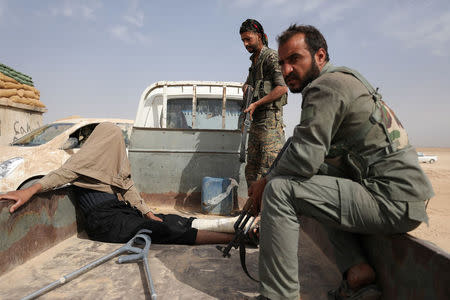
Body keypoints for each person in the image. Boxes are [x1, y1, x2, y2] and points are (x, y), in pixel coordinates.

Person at [248, 25, 434, 300]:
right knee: (316, 181)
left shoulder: (325, 87)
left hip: (392, 199)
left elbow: (303, 159)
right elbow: (311, 153)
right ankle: (358, 272)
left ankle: (278, 295)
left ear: (320, 56)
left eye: (295, 59)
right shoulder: (344, 79)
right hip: (402, 196)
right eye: (283, 62)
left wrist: (266, 181)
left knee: (280, 191)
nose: (286, 70)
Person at [0, 122, 240, 245]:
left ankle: (238, 228)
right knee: (165, 230)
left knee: (167, 219)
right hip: (103, 222)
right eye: (114, 140)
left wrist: (147, 212)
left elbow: (128, 188)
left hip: (118, 211)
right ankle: (233, 239)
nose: (117, 146)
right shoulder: (81, 163)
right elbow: (57, 176)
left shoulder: (113, 163)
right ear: (104, 141)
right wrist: (28, 191)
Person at [239, 19, 288, 188]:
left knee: (267, 169)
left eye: (248, 39)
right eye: (243, 41)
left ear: (259, 36)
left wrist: (256, 103)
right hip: (256, 122)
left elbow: (282, 88)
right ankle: (254, 209)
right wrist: (245, 87)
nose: (245, 44)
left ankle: (266, 212)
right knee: (251, 169)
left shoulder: (271, 57)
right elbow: (247, 84)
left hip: (270, 124)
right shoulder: (254, 62)